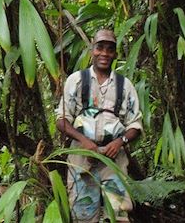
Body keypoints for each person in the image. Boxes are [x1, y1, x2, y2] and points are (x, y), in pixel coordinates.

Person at [56, 29, 143, 222]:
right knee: (83, 213)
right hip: (82, 157)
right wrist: (84, 141)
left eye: (110, 49)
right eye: (100, 48)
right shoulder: (76, 80)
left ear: (115, 54)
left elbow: (135, 124)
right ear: (92, 50)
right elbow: (62, 120)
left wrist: (120, 142)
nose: (104, 53)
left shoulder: (124, 85)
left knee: (119, 213)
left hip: (114, 159)